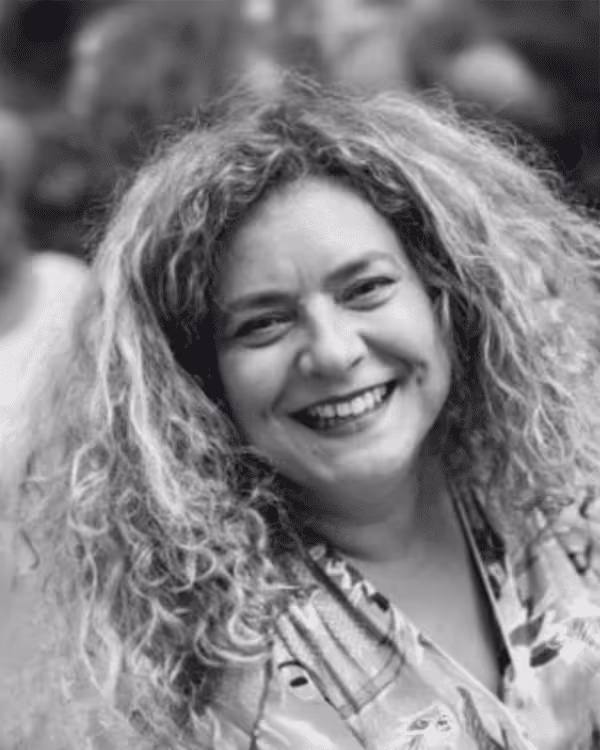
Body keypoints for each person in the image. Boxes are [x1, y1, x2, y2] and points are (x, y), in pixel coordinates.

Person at [5, 77, 600, 750]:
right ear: (200, 383)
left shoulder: (557, 483)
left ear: (447, 296)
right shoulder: (198, 685)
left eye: (366, 288)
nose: (334, 353)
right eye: (263, 323)